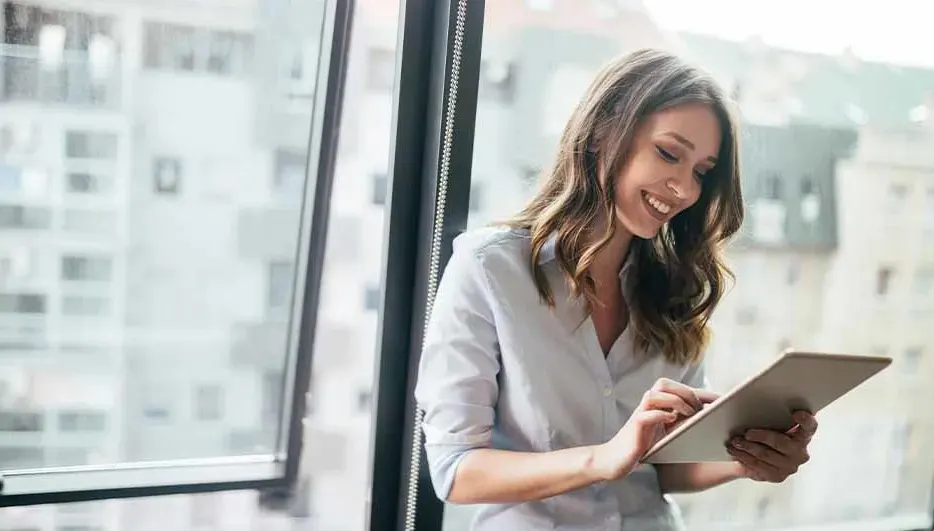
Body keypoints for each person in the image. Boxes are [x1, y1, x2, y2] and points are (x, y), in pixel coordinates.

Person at [414, 49, 818, 530]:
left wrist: (746, 460)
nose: (685, 190)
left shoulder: (675, 290)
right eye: (669, 153)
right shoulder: (489, 269)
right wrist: (603, 458)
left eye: (701, 172)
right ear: (605, 132)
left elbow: (663, 466)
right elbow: (456, 469)